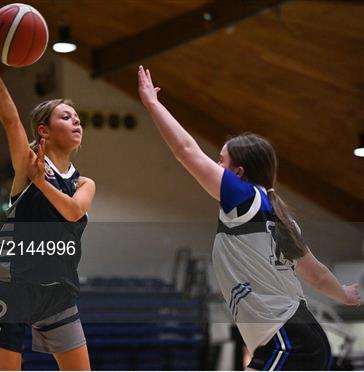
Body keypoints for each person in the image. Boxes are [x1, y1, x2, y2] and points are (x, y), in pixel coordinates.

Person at [137, 65, 361, 370]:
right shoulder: (280, 216)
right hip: (294, 336)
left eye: (221, 161)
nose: (215, 166)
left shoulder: (243, 197)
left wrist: (153, 104)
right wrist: (343, 294)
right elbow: (316, 273)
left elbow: (187, 150)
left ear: (238, 173)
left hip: (287, 339)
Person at [0, 17, 95, 371]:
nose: (76, 121)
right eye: (66, 116)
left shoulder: (82, 183)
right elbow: (12, 121)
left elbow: (74, 211)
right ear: (44, 130)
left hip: (57, 292)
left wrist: (42, 182)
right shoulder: (26, 165)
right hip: (11, 287)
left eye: (77, 118)